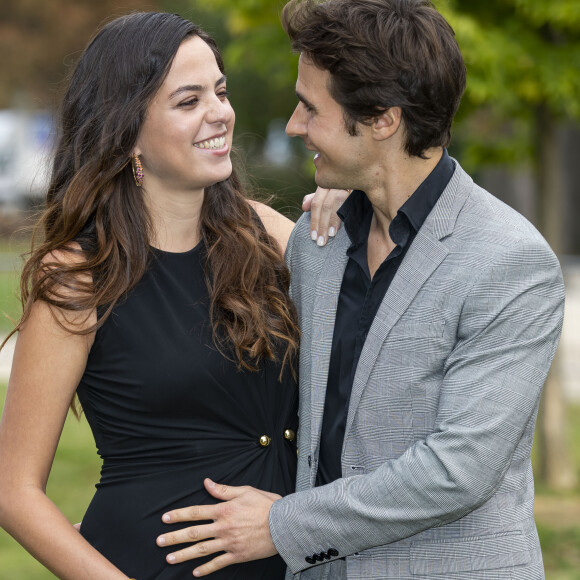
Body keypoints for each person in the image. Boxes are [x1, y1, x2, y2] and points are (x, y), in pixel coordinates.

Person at [155, 1, 566, 579]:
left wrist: (281, 527)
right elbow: (270, 411)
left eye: (310, 108)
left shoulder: (508, 262)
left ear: (382, 119)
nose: (295, 126)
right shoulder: (318, 242)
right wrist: (137, 516)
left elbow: (458, 471)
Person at [0, 11, 343, 580]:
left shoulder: (267, 234)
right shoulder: (80, 278)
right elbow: (14, 491)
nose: (220, 114)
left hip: (289, 559)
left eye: (221, 91)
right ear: (126, 129)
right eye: (189, 101)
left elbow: (381, 317)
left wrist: (348, 215)